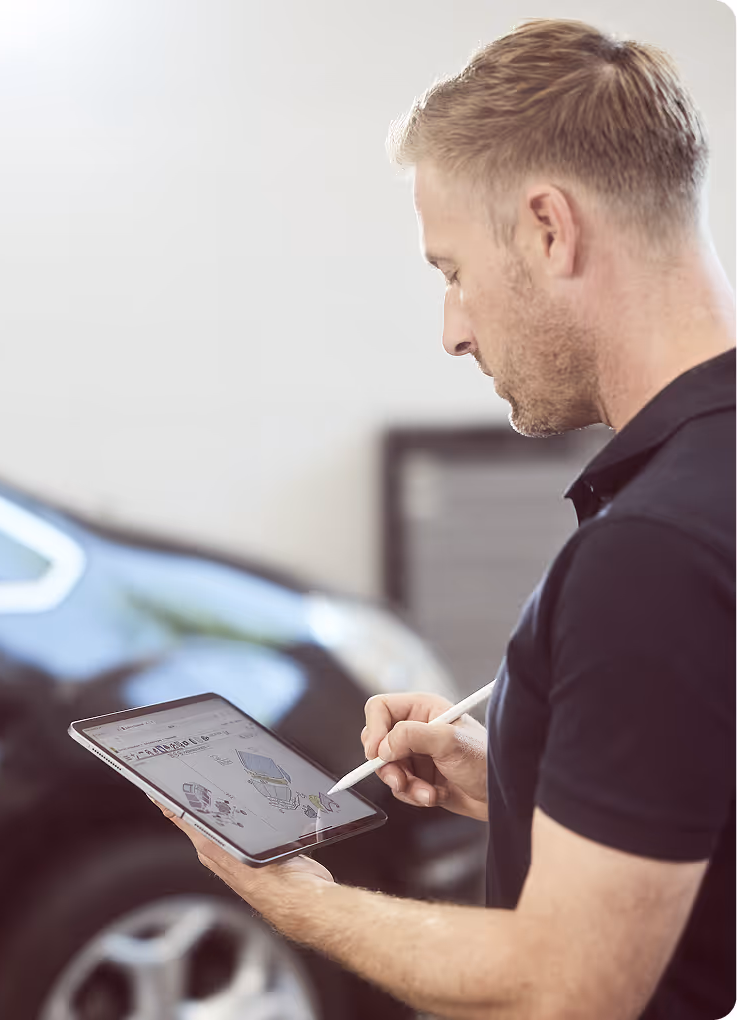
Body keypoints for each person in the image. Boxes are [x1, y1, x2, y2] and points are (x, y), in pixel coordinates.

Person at [151, 18, 735, 1019]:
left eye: (451, 271)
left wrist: (294, 898)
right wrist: (509, 774)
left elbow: (565, 988)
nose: (451, 331)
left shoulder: (648, 553)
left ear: (550, 229)